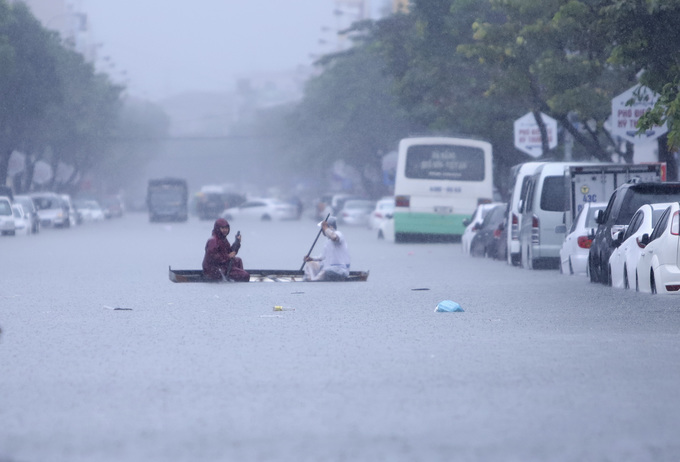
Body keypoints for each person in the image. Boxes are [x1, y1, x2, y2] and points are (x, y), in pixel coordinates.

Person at [302, 216, 350, 281]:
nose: (322, 230)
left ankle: (314, 280)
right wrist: (311, 259)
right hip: (329, 269)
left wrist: (325, 227)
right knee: (310, 264)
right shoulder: (327, 242)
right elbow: (322, 257)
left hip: (341, 270)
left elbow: (334, 237)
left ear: (330, 227)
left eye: (322, 228)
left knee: (326, 271)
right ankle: (309, 280)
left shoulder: (339, 234)